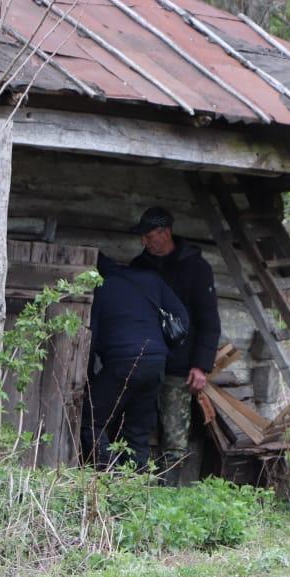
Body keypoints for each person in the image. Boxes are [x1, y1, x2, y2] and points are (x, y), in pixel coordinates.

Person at [129, 206, 221, 484]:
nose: (144, 242)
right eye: (143, 237)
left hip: (179, 366)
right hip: (143, 362)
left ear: (165, 232)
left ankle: (168, 492)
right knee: (135, 427)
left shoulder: (196, 268)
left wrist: (201, 366)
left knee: (175, 434)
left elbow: (209, 321)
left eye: (149, 236)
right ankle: (135, 486)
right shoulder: (138, 267)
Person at [81, 253, 188, 471]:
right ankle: (135, 481)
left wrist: (87, 375)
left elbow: (90, 337)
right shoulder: (151, 280)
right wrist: (161, 350)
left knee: (91, 421)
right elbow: (182, 319)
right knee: (137, 431)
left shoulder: (100, 287)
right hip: (156, 363)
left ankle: (108, 474)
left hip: (122, 363)